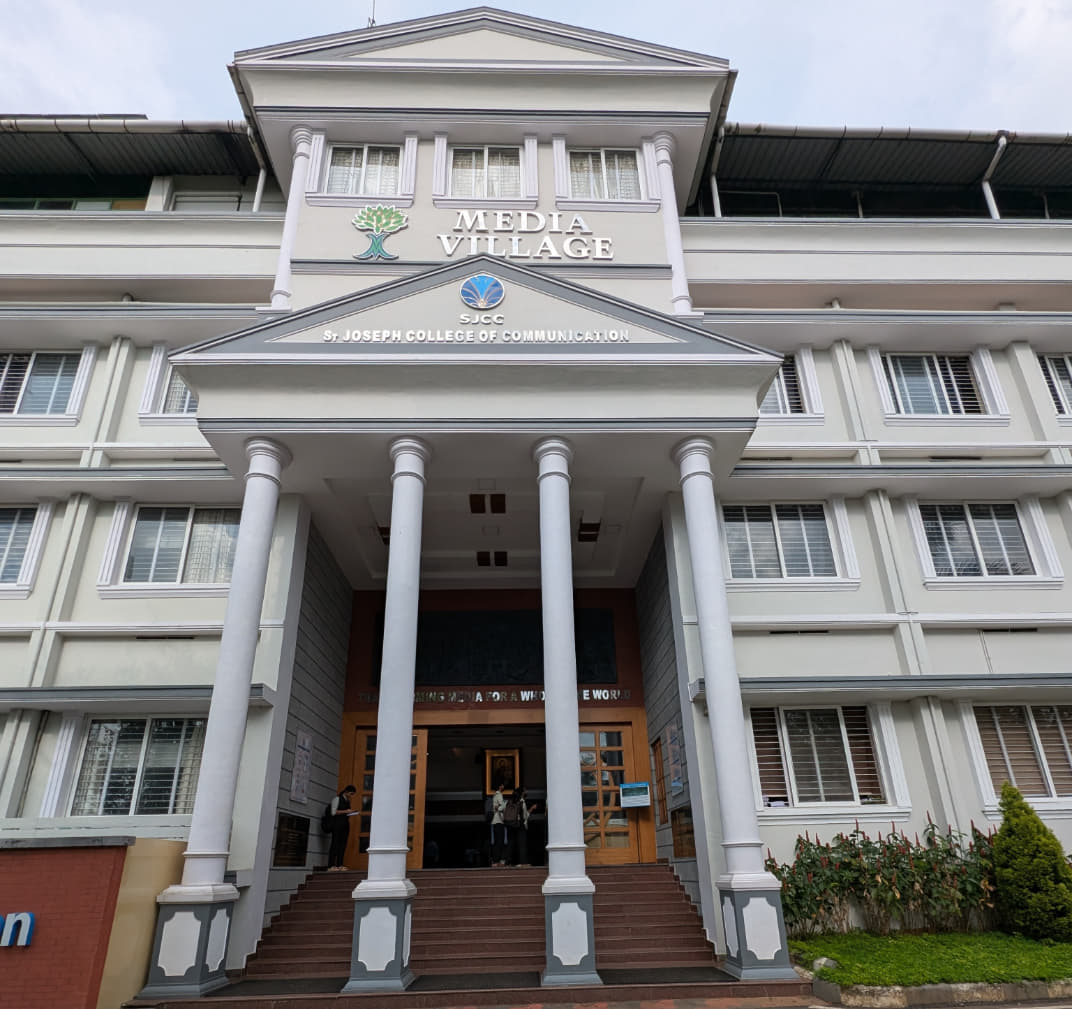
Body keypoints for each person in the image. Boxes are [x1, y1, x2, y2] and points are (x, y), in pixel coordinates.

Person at [328, 784, 357, 871]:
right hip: (337, 824)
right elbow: (333, 812)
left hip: (345, 824)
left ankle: (340, 864)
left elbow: (346, 812)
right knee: (335, 844)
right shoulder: (337, 799)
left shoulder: (347, 801)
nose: (351, 796)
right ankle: (331, 865)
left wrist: (351, 812)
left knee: (343, 845)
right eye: (351, 794)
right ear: (346, 791)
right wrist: (346, 811)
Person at [511, 787, 538, 867]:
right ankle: (523, 862)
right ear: (522, 793)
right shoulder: (522, 802)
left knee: (518, 843)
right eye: (525, 790)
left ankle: (518, 861)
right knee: (523, 844)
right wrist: (532, 808)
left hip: (515, 824)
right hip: (522, 825)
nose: (526, 792)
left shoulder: (515, 801)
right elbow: (525, 816)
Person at [490, 782, 508, 866]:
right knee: (500, 842)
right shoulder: (499, 794)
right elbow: (501, 807)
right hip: (499, 821)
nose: (503, 786)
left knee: (497, 841)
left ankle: (496, 860)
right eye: (502, 785)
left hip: (496, 821)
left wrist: (499, 807)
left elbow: (498, 807)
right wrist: (505, 804)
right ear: (500, 786)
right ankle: (497, 860)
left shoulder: (495, 795)